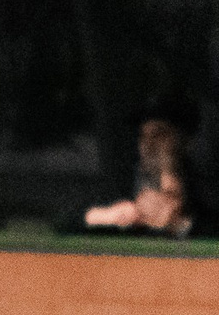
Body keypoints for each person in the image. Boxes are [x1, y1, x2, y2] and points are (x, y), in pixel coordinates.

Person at [80, 98, 205, 237]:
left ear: (184, 141)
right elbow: (80, 216)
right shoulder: (124, 178)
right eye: (143, 136)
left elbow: (204, 223)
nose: (149, 144)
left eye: (159, 135)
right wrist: (112, 217)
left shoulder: (202, 184)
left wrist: (177, 223)